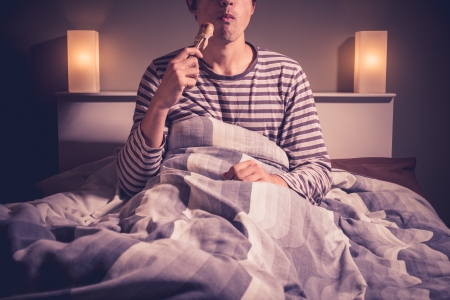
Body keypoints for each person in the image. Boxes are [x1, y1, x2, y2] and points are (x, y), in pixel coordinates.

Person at [117, 0, 332, 205]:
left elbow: (318, 171)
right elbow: (132, 182)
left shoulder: (287, 75)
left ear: (253, 6)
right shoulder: (163, 73)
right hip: (183, 202)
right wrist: (160, 103)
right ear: (192, 4)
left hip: (263, 203)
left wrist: (274, 181)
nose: (226, 1)